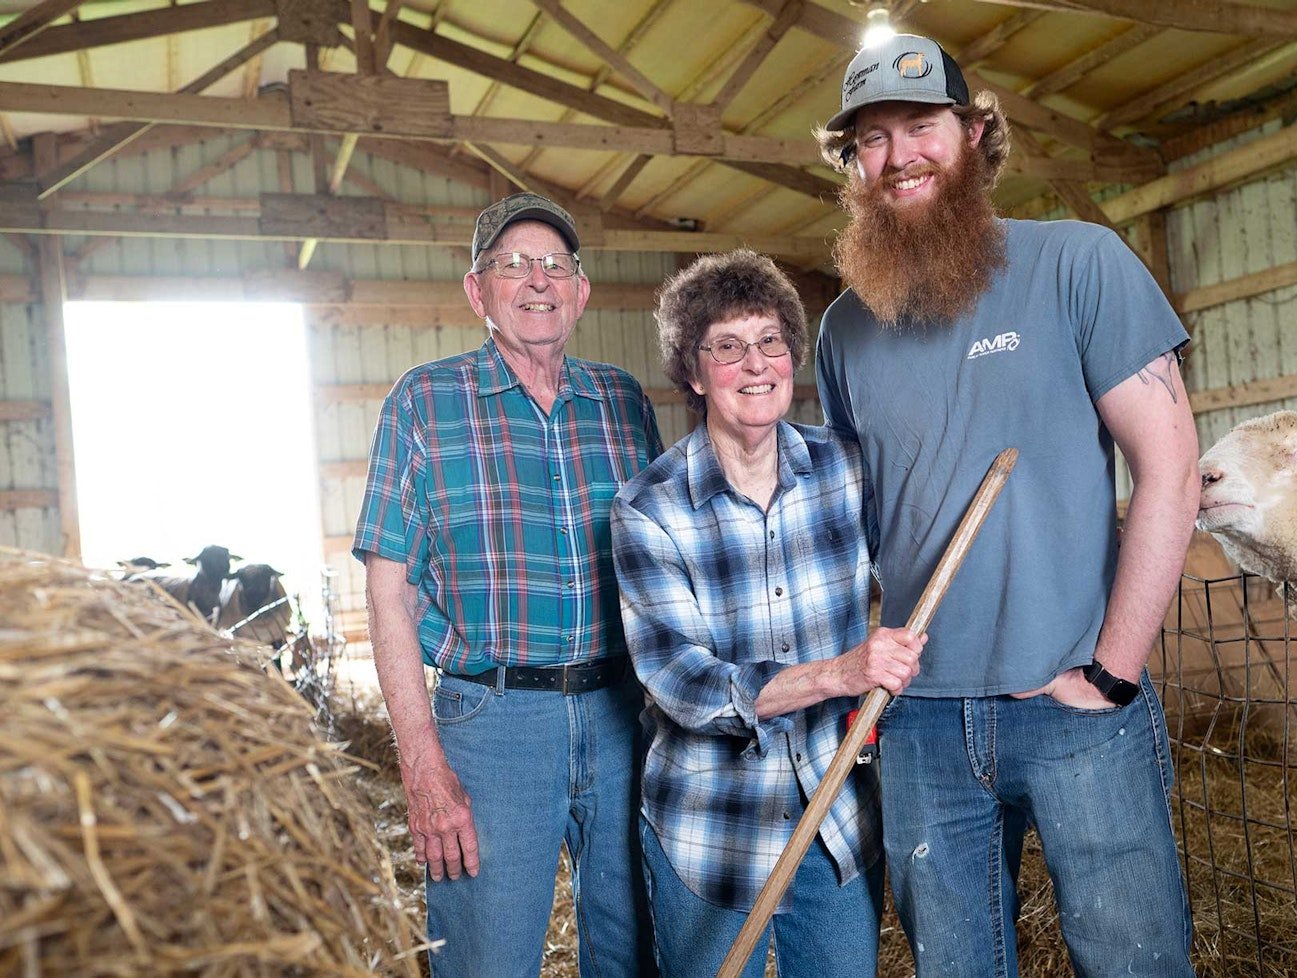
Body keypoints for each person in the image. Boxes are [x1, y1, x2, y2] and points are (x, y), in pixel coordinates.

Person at [811, 34, 1203, 978]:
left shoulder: (1078, 264)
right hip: (919, 725)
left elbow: (1174, 469)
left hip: (1074, 708)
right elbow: (856, 519)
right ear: (852, 164)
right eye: (872, 138)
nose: (899, 154)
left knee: (1133, 962)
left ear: (975, 132)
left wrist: (1111, 673)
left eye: (921, 126)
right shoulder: (844, 328)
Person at [353, 191, 662, 978]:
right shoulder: (424, 402)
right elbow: (390, 595)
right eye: (513, 265)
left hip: (624, 712)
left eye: (554, 265)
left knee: (638, 950)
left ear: (581, 290)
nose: (536, 281)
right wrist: (423, 768)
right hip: (492, 724)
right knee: (487, 960)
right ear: (477, 290)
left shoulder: (622, 402)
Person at [610, 250, 925, 978]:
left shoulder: (846, 471)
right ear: (693, 373)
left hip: (834, 819)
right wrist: (837, 675)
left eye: (771, 341)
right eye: (726, 346)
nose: (756, 363)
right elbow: (684, 684)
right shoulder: (649, 508)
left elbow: (907, 560)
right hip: (711, 829)